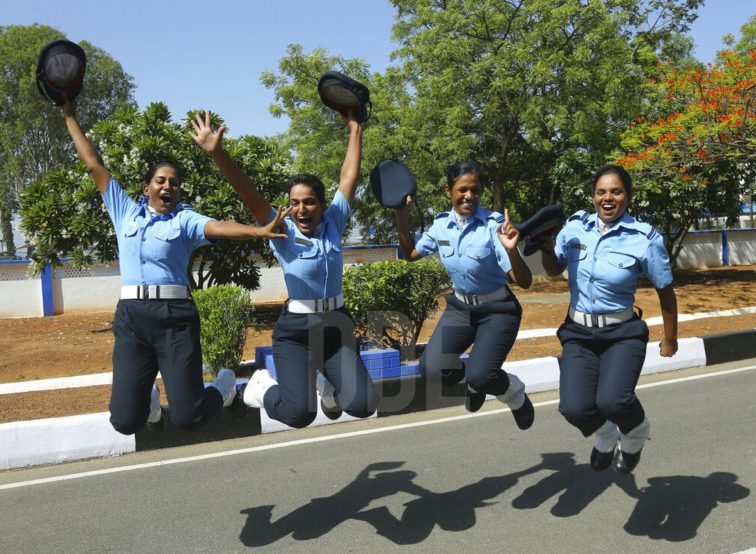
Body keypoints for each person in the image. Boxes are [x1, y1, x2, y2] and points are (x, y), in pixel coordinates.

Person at [60, 99, 289, 435]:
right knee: (124, 421)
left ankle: (225, 386)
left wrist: (259, 230)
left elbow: (220, 226)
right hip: (133, 317)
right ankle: (151, 404)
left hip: (175, 317)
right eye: (161, 180)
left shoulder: (184, 219)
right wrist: (69, 115)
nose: (168, 186)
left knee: (188, 417)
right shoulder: (124, 211)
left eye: (174, 182)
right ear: (147, 188)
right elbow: (94, 165)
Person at [190, 110, 378, 428]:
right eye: (295, 202)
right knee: (298, 413)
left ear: (322, 205)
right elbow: (247, 191)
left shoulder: (335, 221)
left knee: (363, 404)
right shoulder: (282, 230)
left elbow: (348, 177)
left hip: (335, 327)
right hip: (297, 332)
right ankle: (260, 387)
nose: (301, 209)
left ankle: (328, 386)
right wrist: (218, 153)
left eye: (308, 202)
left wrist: (355, 129)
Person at [540, 164, 678, 474]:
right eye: (601, 192)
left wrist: (670, 338)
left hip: (621, 333)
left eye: (616, 191)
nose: (608, 198)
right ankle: (605, 435)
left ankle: (636, 434)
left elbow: (665, 291)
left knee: (614, 401)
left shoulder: (644, 238)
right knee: (574, 408)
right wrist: (546, 248)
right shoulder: (575, 228)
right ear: (593, 196)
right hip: (578, 331)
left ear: (627, 196)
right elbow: (552, 268)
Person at [393, 159, 535, 428]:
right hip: (460, 309)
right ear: (449, 191)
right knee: (430, 369)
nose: (469, 196)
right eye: (462, 190)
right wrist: (401, 215)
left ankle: (514, 393)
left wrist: (511, 249)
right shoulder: (440, 226)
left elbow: (524, 282)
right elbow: (411, 255)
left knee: (483, 376)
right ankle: (476, 379)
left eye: (475, 190)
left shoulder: (493, 225)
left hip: (497, 311)